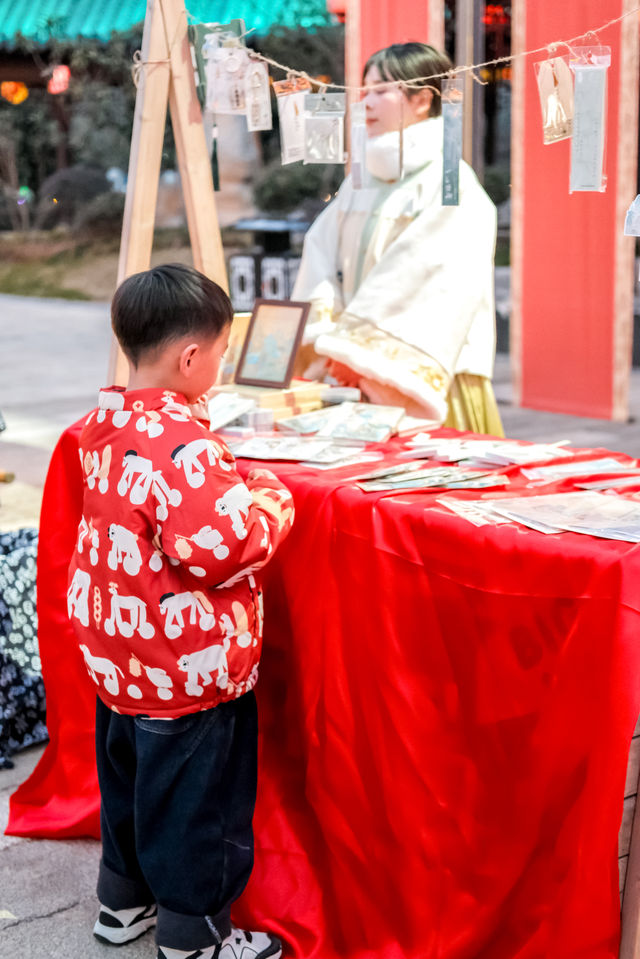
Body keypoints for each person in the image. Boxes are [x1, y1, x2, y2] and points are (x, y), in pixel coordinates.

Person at [66, 263, 293, 959]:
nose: (221, 367)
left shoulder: (102, 424)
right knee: (199, 806)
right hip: (186, 672)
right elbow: (223, 549)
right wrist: (271, 498)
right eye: (221, 354)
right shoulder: (185, 444)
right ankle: (196, 936)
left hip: (120, 661)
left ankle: (120, 904)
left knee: (129, 789)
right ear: (191, 357)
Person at [292, 42, 503, 435]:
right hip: (347, 366)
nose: (366, 102)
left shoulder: (450, 182)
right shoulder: (360, 181)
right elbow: (319, 252)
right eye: (364, 90)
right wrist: (332, 343)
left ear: (422, 99)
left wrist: (354, 353)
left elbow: (422, 276)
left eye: (381, 91)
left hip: (420, 377)